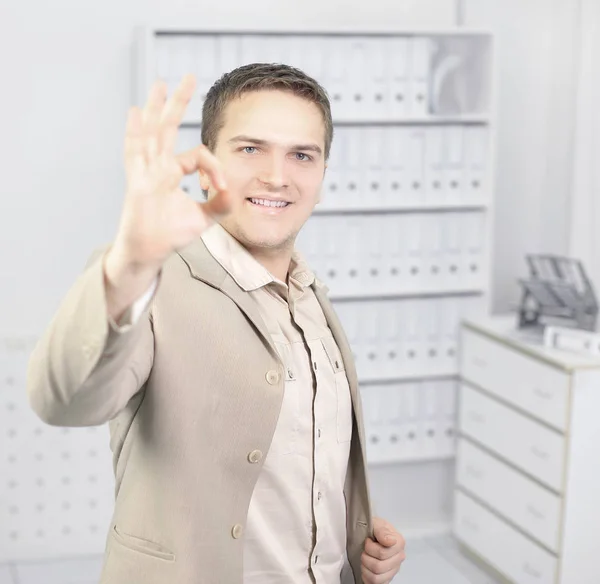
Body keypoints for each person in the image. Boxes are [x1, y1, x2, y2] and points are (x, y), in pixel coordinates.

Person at [26, 63, 406, 584]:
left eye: (301, 154)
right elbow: (65, 399)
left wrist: (350, 547)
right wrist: (131, 264)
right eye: (250, 148)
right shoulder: (151, 280)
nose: (277, 175)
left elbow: (299, 472)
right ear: (207, 168)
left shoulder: (311, 297)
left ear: (321, 175)